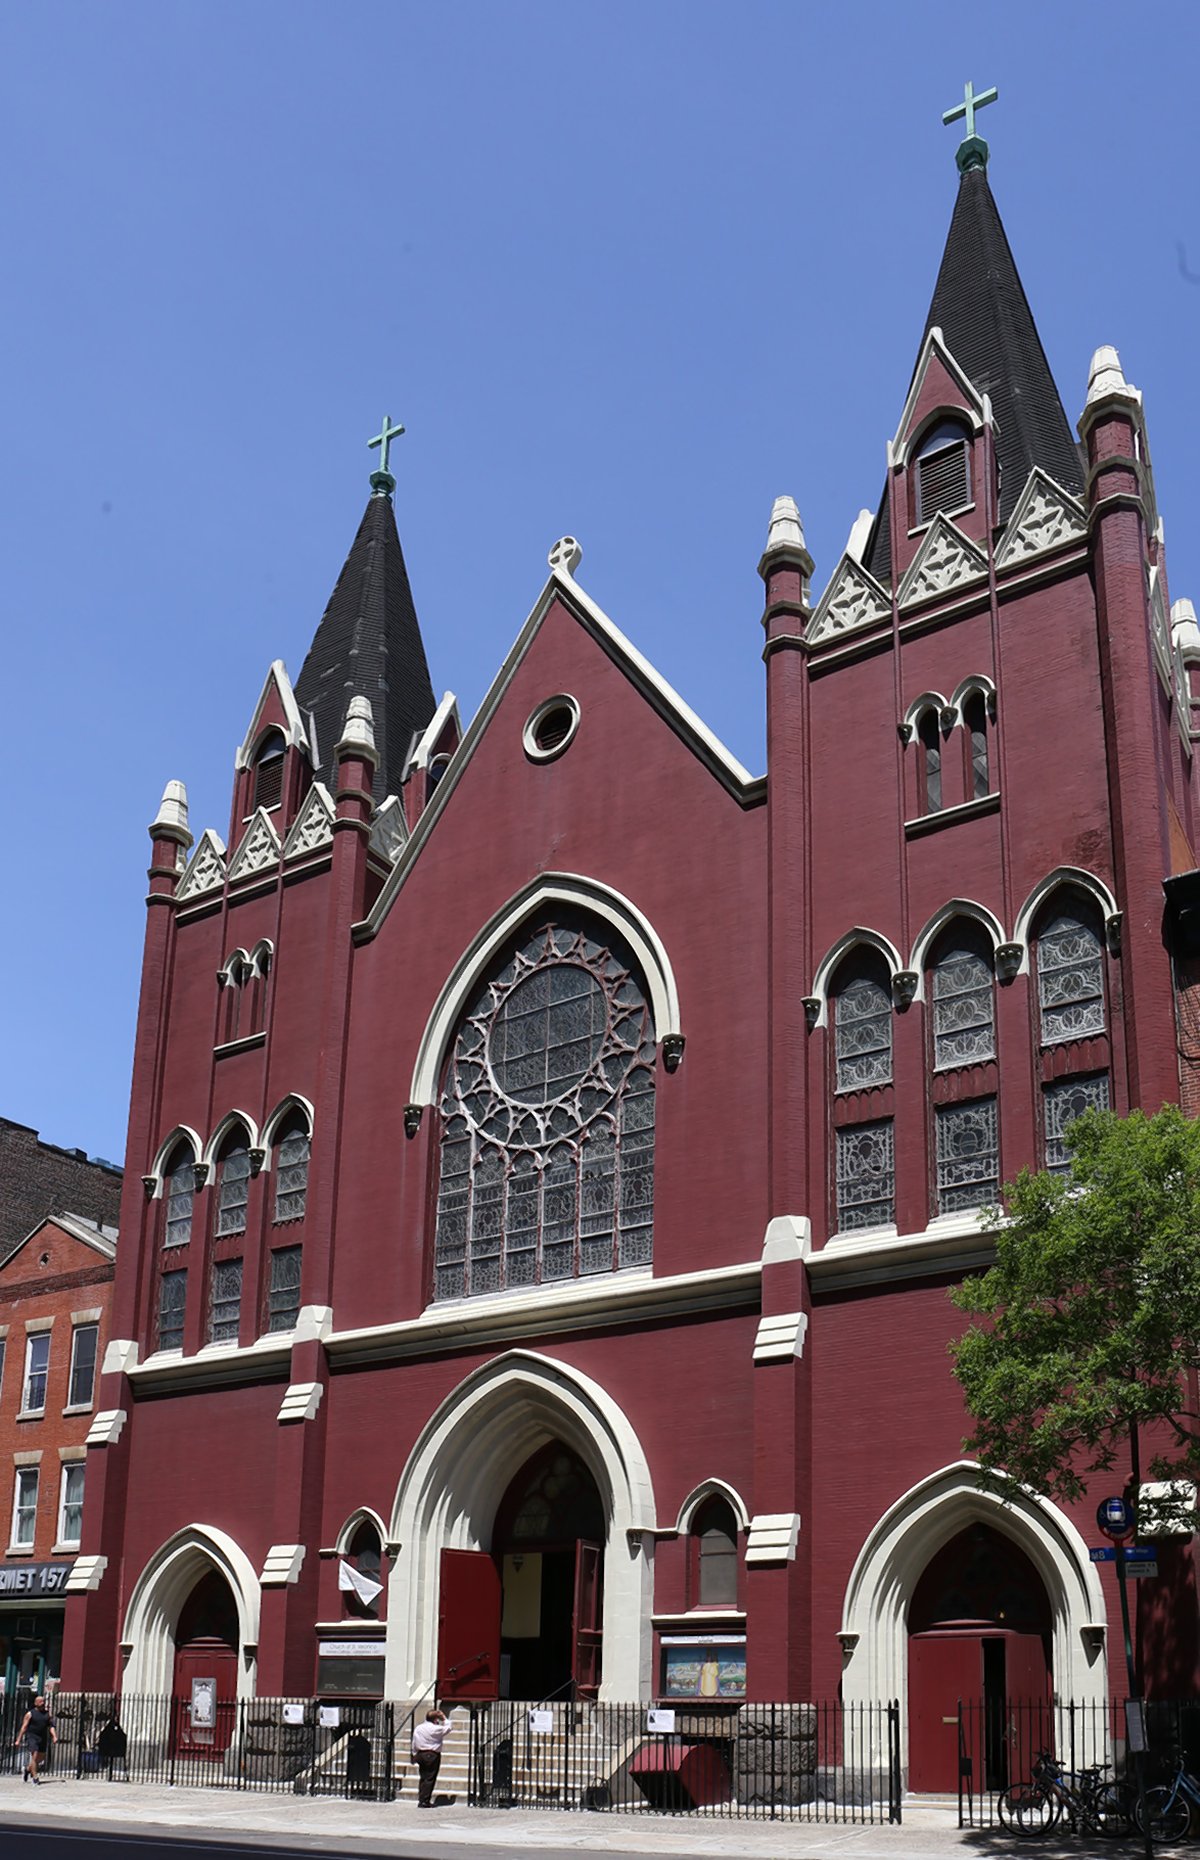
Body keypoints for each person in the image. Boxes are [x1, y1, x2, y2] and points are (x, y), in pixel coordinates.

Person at [411, 1706, 451, 1807]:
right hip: (432, 1754)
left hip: (420, 1754)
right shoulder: (436, 1729)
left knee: (423, 1777)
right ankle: (425, 1800)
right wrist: (444, 1718)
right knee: (429, 1778)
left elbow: (414, 1741)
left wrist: (414, 1753)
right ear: (435, 1719)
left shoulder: (419, 1728)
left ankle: (421, 1798)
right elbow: (448, 1728)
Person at [15, 1695, 57, 1784]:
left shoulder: (47, 1714)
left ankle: (28, 1769)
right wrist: (18, 1739)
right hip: (32, 1737)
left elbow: (51, 1726)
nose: (43, 1703)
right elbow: (24, 1727)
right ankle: (35, 1777)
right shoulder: (30, 1714)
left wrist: (54, 1736)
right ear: (35, 1703)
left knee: (41, 1757)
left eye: (43, 1702)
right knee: (34, 1755)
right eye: (40, 1702)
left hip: (42, 1737)